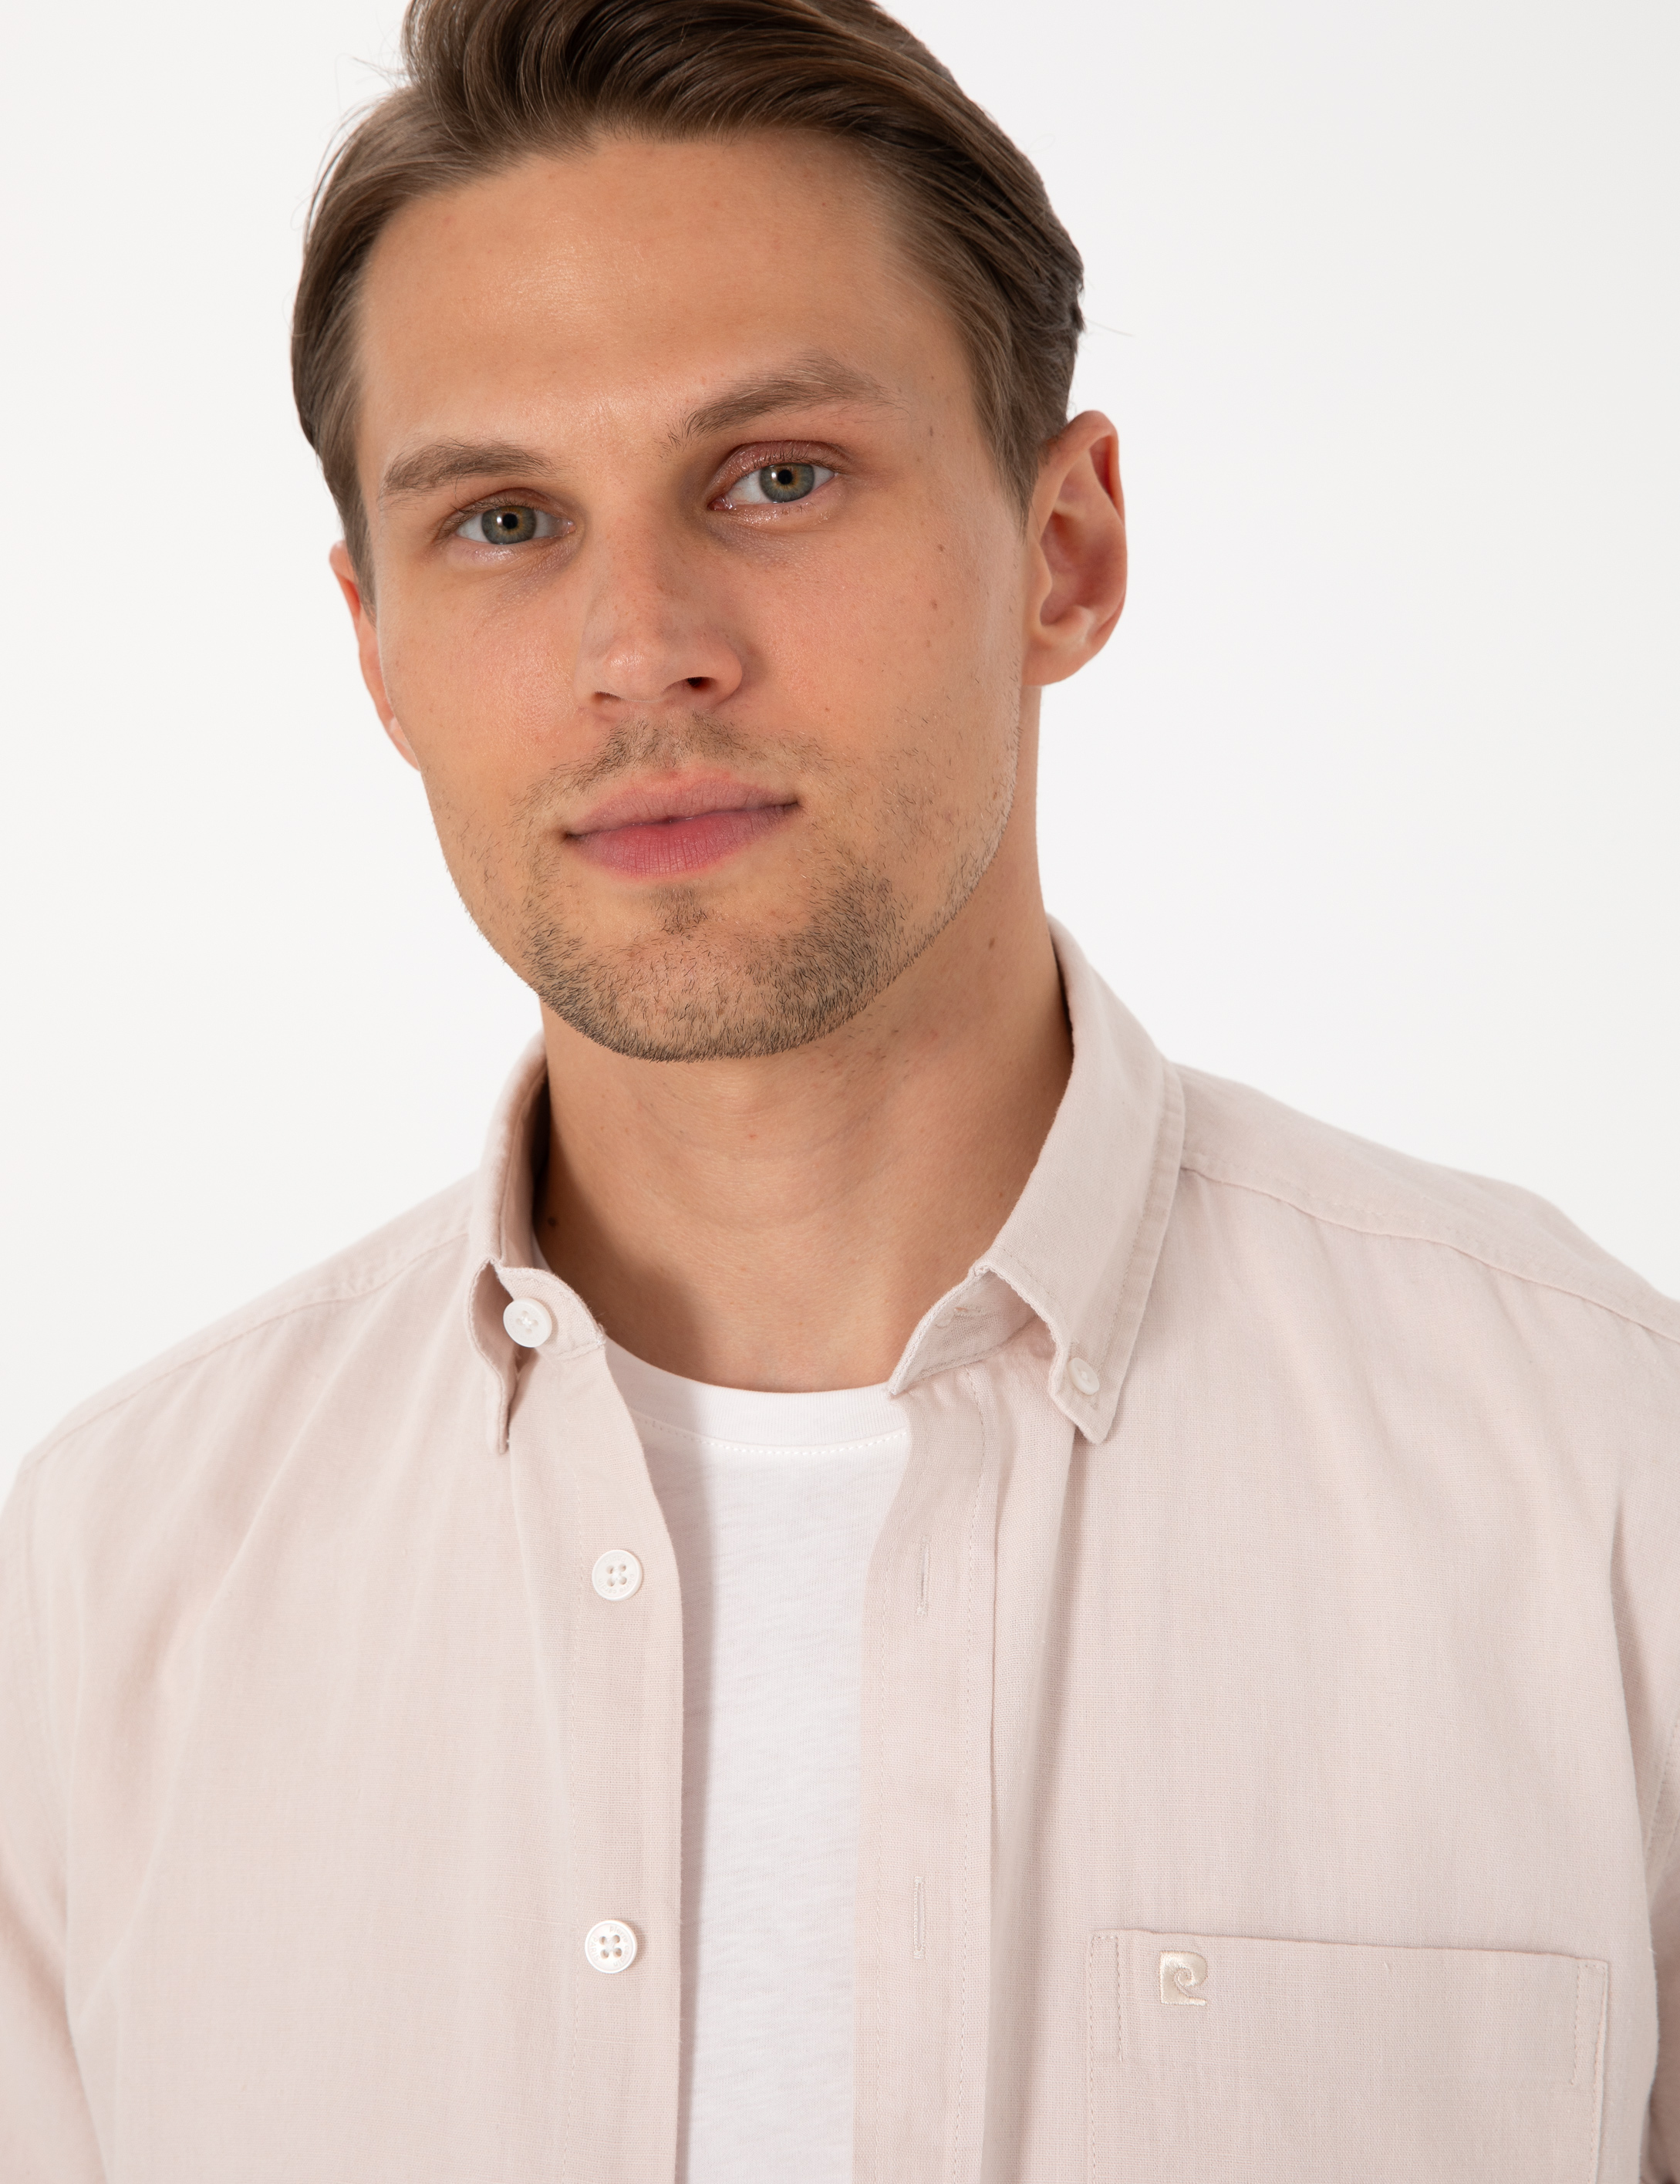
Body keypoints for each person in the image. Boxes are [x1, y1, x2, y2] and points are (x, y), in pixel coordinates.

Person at [2, 0, 1676, 2175]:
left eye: (775, 478)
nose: (642, 648)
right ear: (377, 651)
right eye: (503, 519)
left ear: (1064, 549)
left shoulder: (1605, 1491)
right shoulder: (103, 1601)